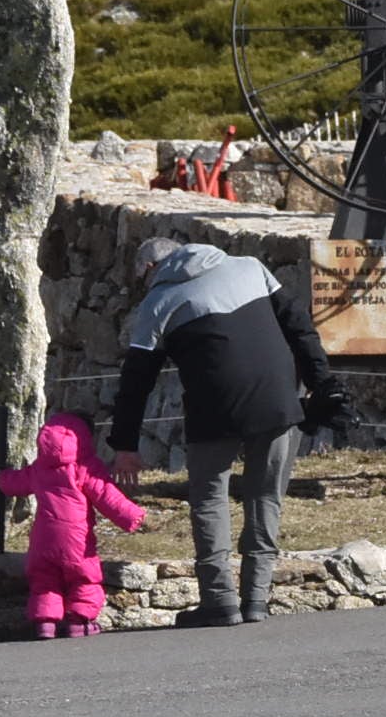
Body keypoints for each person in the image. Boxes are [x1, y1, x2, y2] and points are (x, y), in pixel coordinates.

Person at [108, 238, 352, 627]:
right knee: (265, 498)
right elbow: (299, 327)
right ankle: (257, 599)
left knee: (208, 501)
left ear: (151, 269)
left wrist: (124, 445)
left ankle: (219, 602)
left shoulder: (157, 303)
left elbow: (136, 381)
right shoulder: (251, 267)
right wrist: (323, 383)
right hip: (277, 401)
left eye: (143, 277)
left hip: (213, 411)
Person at [0, 412, 147, 638]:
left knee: (45, 580)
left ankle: (45, 624)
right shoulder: (85, 466)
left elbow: (17, 482)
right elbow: (106, 494)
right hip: (76, 538)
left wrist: (2, 478)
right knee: (84, 577)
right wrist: (133, 516)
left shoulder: (39, 467)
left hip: (43, 538)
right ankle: (79, 622)